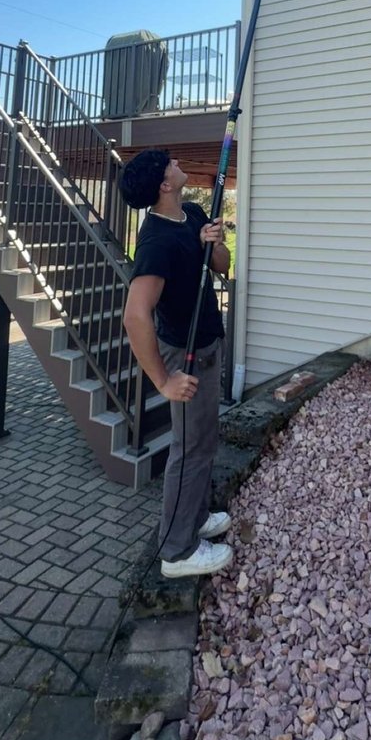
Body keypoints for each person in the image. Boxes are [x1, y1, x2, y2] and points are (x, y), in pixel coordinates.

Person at [121, 148, 233, 578]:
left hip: (207, 343)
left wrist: (214, 241)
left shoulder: (189, 213)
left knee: (203, 442)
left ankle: (196, 516)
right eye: (169, 163)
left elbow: (222, 267)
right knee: (187, 451)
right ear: (163, 184)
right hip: (184, 357)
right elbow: (135, 316)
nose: (177, 163)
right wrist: (164, 381)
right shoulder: (156, 241)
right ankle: (176, 551)